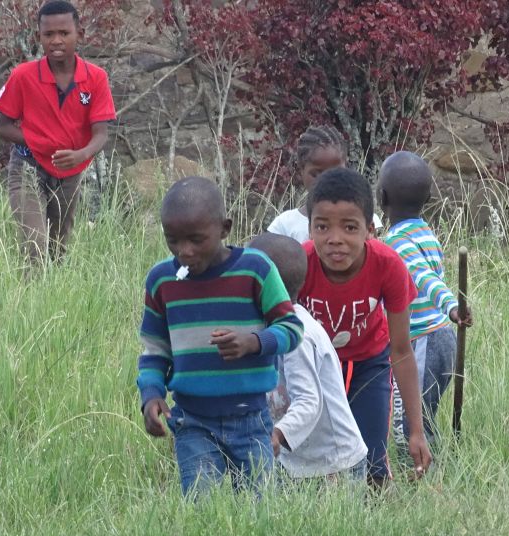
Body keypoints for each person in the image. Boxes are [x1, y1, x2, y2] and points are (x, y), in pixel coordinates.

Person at [138, 178, 304, 495]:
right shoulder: (162, 281)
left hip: (252, 419)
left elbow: (291, 328)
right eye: (173, 240)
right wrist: (151, 394)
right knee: (203, 509)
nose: (184, 251)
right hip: (192, 420)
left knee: (259, 511)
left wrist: (253, 342)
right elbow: (155, 350)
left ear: (224, 228)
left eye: (196, 240)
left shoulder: (256, 270)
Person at [296, 168, 432, 488]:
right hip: (313, 366)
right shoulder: (299, 265)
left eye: (350, 227)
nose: (335, 239)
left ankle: (378, 520)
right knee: (307, 462)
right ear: (309, 229)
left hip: (368, 364)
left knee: (372, 461)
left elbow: (401, 350)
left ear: (370, 229)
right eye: (322, 226)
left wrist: (416, 430)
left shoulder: (389, 266)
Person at [0, 0, 116, 268]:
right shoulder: (23, 76)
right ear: (39, 37)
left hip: (69, 171)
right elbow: (2, 127)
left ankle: (53, 304)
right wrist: (40, 142)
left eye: (64, 33)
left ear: (78, 34)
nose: (56, 41)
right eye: (49, 35)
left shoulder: (95, 78)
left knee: (58, 248)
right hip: (27, 166)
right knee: (34, 245)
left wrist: (81, 155)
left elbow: (101, 134)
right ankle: (27, 304)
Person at [249, 233, 368, 483]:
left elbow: (308, 401)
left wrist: (277, 434)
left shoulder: (297, 335)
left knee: (336, 523)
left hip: (336, 464)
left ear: (262, 288)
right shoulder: (263, 328)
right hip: (297, 463)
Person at [378, 151, 473, 448]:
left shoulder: (396, 242)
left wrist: (452, 306)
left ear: (382, 197)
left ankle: (419, 480)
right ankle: (434, 471)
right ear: (429, 198)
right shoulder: (425, 232)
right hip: (442, 338)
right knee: (424, 417)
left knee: (410, 423)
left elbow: (424, 278)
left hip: (422, 342)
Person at [266, 125, 384, 241]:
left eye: (335, 172)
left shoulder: (362, 217)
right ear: (300, 171)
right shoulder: (285, 225)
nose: (327, 181)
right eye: (317, 174)